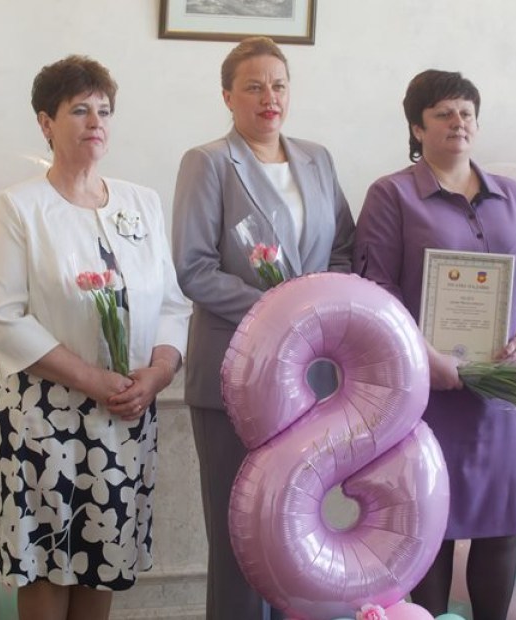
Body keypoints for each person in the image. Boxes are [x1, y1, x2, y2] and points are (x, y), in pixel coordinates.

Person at [0, 54, 191, 620]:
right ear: (46, 122)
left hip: (125, 410)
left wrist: (158, 373)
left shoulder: (142, 203)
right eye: (79, 110)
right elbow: (2, 316)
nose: (96, 121)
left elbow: (172, 304)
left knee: (105, 553)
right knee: (48, 560)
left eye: (104, 110)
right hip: (44, 414)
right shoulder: (20, 207)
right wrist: (94, 379)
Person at [352, 70, 516, 618]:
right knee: (432, 526)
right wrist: (428, 358)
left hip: (497, 393)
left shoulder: (514, 197)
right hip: (426, 394)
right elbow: (377, 288)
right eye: (443, 113)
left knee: (499, 527)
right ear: (416, 128)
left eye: (467, 112)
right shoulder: (392, 195)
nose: (458, 122)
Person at [171, 36, 355, 620]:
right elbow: (193, 268)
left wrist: (315, 311)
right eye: (253, 86)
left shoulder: (318, 159)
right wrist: (279, 312)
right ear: (228, 97)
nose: (268, 97)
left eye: (278, 84)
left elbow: (344, 251)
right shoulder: (207, 162)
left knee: (294, 526)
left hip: (309, 379)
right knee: (239, 533)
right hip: (234, 373)